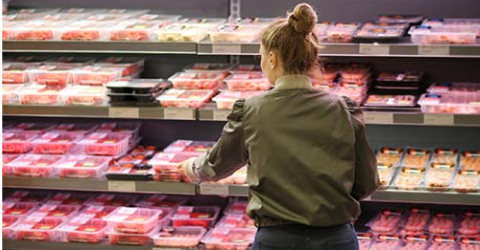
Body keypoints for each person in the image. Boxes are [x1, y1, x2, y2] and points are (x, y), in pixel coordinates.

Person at [179, 3, 379, 249]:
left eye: (261, 56)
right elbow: (367, 182)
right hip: (336, 238)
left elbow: (217, 165)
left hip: (278, 240)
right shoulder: (343, 108)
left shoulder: (252, 110)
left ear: (272, 58)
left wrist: (190, 167)